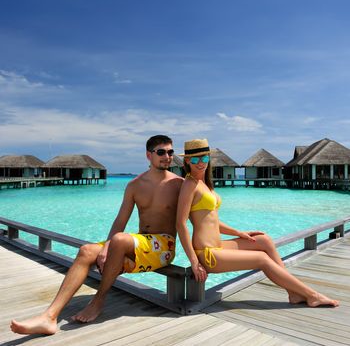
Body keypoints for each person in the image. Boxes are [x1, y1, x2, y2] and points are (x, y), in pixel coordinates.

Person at [11, 135, 183, 335]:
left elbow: (201, 214)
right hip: (138, 243)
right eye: (161, 152)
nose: (167, 156)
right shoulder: (135, 185)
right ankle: (49, 316)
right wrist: (109, 246)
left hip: (164, 247)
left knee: (119, 240)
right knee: (86, 251)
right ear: (148, 155)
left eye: (170, 152)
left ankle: (98, 301)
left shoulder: (179, 185)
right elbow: (120, 221)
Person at [176, 138, 339, 307]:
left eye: (204, 158)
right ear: (187, 161)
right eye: (195, 159)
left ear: (209, 158)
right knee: (261, 258)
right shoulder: (189, 184)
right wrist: (194, 262)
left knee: (264, 240)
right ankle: (312, 295)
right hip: (207, 253)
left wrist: (239, 233)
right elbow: (181, 224)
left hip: (219, 246)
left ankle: (293, 292)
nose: (200, 163)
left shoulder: (205, 184)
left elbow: (211, 221)